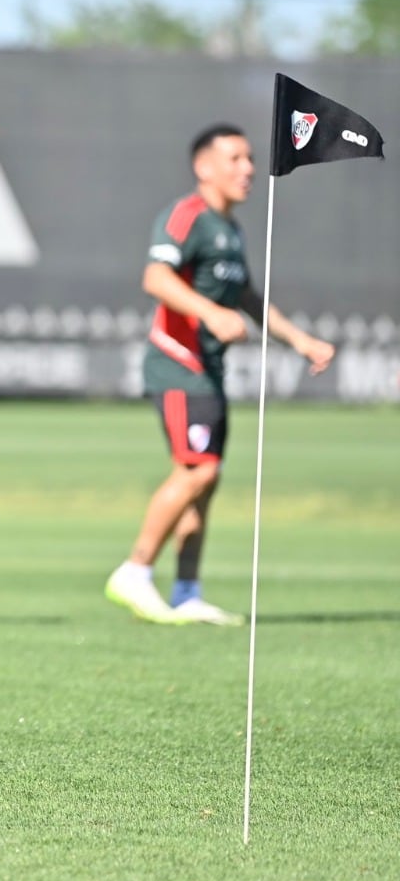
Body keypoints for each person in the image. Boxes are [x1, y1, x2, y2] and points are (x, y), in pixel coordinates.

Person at [105, 124, 335, 625]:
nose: (248, 168)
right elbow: (156, 277)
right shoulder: (188, 216)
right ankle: (134, 571)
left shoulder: (231, 230)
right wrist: (209, 314)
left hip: (208, 370)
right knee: (198, 470)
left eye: (250, 159)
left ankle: (187, 591)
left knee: (206, 481)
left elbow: (248, 299)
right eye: (235, 159)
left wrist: (301, 341)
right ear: (203, 166)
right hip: (178, 363)